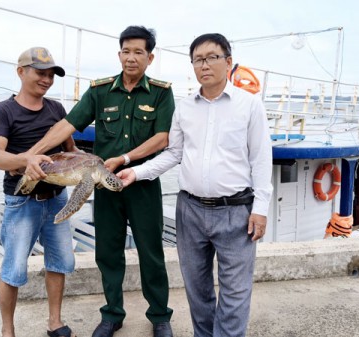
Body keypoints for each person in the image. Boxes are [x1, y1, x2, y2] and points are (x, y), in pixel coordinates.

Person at [117, 33, 273, 337]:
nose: (204, 65)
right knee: (197, 290)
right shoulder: (185, 108)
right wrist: (135, 173)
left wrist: (261, 209)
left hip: (236, 211)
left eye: (212, 57)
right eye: (198, 59)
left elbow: (261, 160)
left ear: (228, 62)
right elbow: (173, 154)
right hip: (190, 210)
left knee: (235, 293)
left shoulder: (250, 105)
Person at [23, 26, 175, 337]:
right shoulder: (100, 91)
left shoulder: (161, 92)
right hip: (103, 185)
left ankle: (160, 315)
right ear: (119, 54)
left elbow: (162, 138)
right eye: (126, 51)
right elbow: (66, 125)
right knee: (107, 250)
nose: (131, 58)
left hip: (142, 184)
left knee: (151, 252)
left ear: (150, 57)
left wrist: (125, 159)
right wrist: (31, 155)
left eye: (138, 52)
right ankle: (112, 314)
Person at [0, 47, 78, 337]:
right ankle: (7, 331)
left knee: (60, 262)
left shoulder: (56, 110)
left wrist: (92, 163)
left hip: (56, 199)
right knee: (13, 269)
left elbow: (70, 151)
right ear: (21, 72)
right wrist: (26, 160)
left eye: (51, 74)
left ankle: (55, 322)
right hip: (21, 201)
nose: (47, 79)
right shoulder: (3, 111)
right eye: (41, 73)